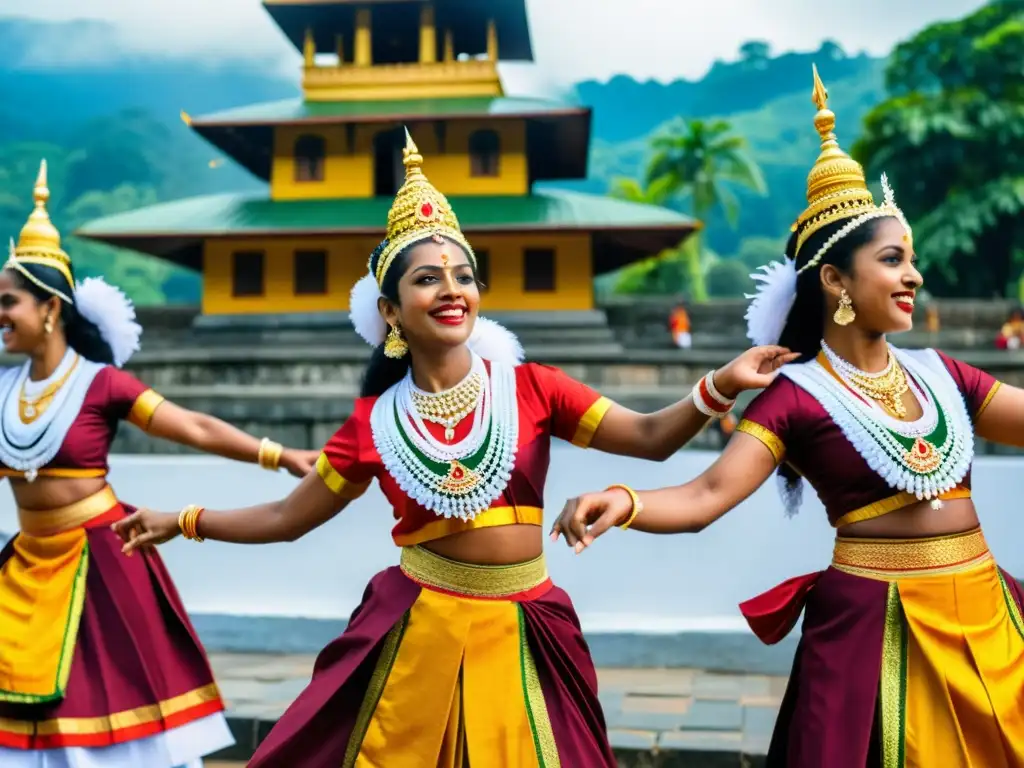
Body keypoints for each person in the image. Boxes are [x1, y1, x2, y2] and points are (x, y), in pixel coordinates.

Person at [111, 130, 796, 767]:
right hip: (419, 626)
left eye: (463, 276)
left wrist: (717, 387)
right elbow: (286, 519)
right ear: (389, 311)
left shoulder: (534, 388)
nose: (451, 290)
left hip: (528, 627)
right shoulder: (374, 424)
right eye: (427, 279)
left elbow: (648, 439)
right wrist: (186, 521)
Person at [552, 67, 1024, 767]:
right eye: (892, 260)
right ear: (835, 279)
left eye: (912, 260)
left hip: (987, 613)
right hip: (878, 629)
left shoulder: (940, 372)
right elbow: (705, 496)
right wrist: (622, 499)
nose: (913, 276)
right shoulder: (795, 396)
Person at [0, 161, 319, 767]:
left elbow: (194, 426)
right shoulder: (3, 390)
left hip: (98, 556)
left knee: (107, 700)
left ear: (49, 308)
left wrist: (278, 456)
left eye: (8, 301)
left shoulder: (103, 385)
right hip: (26, 563)